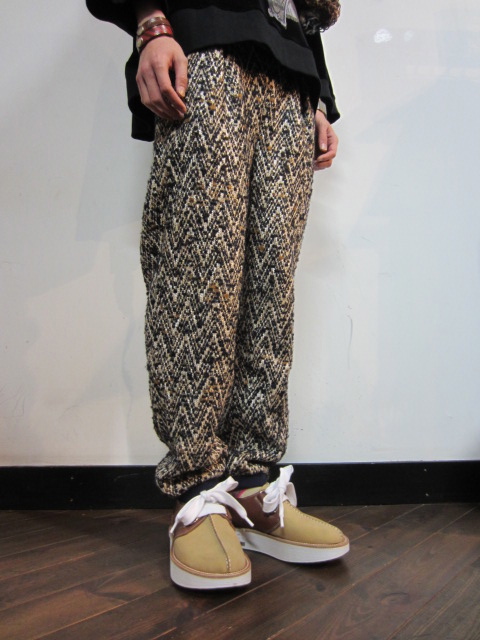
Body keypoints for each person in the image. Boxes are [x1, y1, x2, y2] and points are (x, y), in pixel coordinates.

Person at [86, 0, 349, 590]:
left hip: (290, 76)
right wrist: (151, 24)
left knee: (271, 294)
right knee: (198, 283)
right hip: (205, 48)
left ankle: (254, 487)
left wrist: (318, 96)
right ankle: (200, 488)